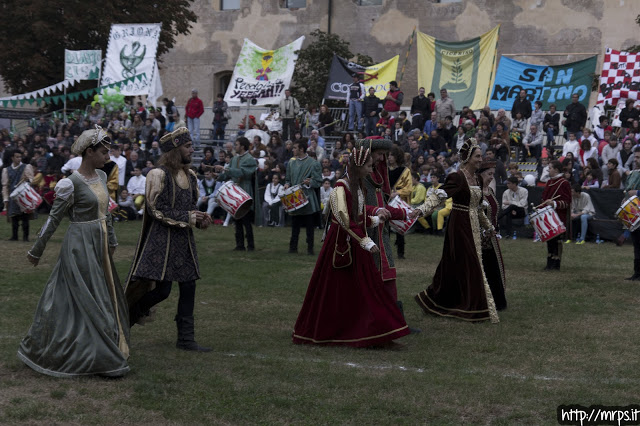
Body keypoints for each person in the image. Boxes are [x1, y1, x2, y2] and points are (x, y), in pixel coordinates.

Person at [19, 126, 130, 377]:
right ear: (89, 152)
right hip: (79, 244)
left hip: (99, 243)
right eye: (103, 152)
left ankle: (103, 346)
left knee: (101, 294)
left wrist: (111, 240)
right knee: (85, 297)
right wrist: (36, 250)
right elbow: (53, 219)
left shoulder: (102, 177)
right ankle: (91, 351)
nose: (107, 157)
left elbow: (106, 213)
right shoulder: (69, 184)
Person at [292, 144, 410, 347]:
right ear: (358, 166)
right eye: (369, 166)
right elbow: (344, 220)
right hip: (342, 245)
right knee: (339, 292)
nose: (372, 170)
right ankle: (349, 332)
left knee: (368, 290)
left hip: (355, 243)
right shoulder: (340, 187)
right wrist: (366, 241)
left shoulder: (358, 186)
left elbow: (359, 216)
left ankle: (377, 332)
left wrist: (374, 221)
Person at [126, 127, 212, 352]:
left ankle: (185, 338)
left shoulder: (191, 175)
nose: (192, 150)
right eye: (187, 146)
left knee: (188, 285)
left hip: (183, 240)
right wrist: (189, 217)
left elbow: (190, 207)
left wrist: (201, 218)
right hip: (162, 241)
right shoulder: (158, 174)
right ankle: (126, 319)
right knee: (162, 291)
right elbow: (156, 209)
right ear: (175, 151)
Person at [411, 138, 499, 323]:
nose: (480, 159)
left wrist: (488, 227)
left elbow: (477, 208)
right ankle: (476, 308)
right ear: (467, 158)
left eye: (480, 156)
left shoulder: (476, 178)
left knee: (455, 265)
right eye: (477, 156)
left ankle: (439, 299)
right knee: (471, 263)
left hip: (473, 223)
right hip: (460, 225)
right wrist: (422, 210)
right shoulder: (457, 177)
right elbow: (439, 195)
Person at [358, 138, 419, 333]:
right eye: (378, 153)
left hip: (381, 233)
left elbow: (383, 207)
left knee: (388, 273)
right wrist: (374, 210)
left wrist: (405, 213)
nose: (382, 158)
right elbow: (353, 208)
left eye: (384, 154)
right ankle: (375, 320)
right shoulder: (355, 177)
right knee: (371, 276)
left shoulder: (377, 173)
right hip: (364, 235)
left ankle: (395, 321)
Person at [215, 137, 257, 251]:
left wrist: (225, 170)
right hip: (234, 192)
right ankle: (239, 245)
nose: (235, 146)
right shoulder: (234, 159)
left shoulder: (250, 159)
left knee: (246, 220)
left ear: (242, 146)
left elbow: (243, 173)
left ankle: (251, 245)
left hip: (245, 190)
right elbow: (228, 173)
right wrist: (218, 176)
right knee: (237, 219)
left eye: (237, 144)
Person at [478, 160, 507, 311]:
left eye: (493, 174)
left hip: (492, 238)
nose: (491, 177)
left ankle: (497, 301)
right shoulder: (475, 193)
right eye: (489, 174)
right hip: (479, 239)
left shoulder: (490, 191)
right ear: (480, 175)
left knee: (494, 270)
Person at [284, 139, 322, 254]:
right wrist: (286, 184)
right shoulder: (291, 163)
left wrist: (310, 182)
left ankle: (310, 248)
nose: (293, 149)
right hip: (295, 198)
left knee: (309, 226)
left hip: (308, 198)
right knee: (295, 225)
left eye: (295, 147)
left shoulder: (313, 163)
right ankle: (292, 248)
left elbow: (318, 181)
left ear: (301, 149)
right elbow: (288, 179)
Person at [540, 160, 571, 270]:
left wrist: (554, 203)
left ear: (557, 169)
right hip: (548, 215)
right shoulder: (549, 182)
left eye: (550, 168)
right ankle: (549, 261)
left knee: (556, 240)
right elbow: (544, 198)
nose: (549, 170)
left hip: (558, 216)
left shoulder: (564, 183)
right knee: (549, 240)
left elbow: (567, 202)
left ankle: (556, 263)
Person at [2, 150, 34, 241]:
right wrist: (5, 198)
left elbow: (31, 180)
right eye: (17, 157)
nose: (19, 158)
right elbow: (5, 185)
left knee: (25, 217)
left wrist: (29, 180)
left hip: (23, 195)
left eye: (20, 157)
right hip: (13, 195)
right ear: (12, 158)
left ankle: (25, 237)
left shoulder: (26, 167)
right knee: (14, 216)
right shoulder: (6, 170)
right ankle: (14, 236)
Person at [387, 145, 413, 259]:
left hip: (398, 202)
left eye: (392, 155)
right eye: (388, 155)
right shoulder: (385, 169)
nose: (389, 157)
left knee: (399, 228)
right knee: (384, 226)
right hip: (385, 200)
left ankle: (400, 253)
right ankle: (385, 251)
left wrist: (396, 193)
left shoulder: (405, 171)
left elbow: (409, 188)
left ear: (397, 156)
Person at [624, 147, 640, 279]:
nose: (636, 160)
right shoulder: (633, 173)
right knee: (636, 243)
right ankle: (637, 272)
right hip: (634, 213)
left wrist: (637, 193)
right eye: (635, 157)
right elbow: (627, 188)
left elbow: (634, 191)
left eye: (638, 157)